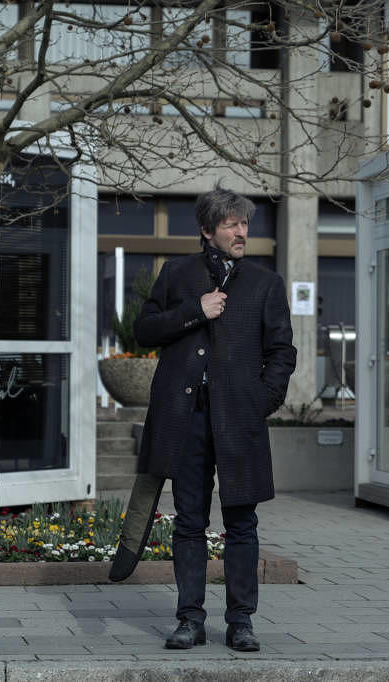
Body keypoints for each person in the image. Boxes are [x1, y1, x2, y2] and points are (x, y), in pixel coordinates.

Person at [132, 187, 296, 652]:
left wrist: (262, 400)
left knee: (242, 522)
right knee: (189, 521)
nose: (241, 231)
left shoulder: (266, 284)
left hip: (240, 420)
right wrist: (194, 311)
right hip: (185, 419)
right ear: (207, 230)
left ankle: (241, 622)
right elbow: (145, 330)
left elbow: (282, 351)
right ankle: (190, 619)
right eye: (231, 224)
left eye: (244, 223)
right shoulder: (177, 275)